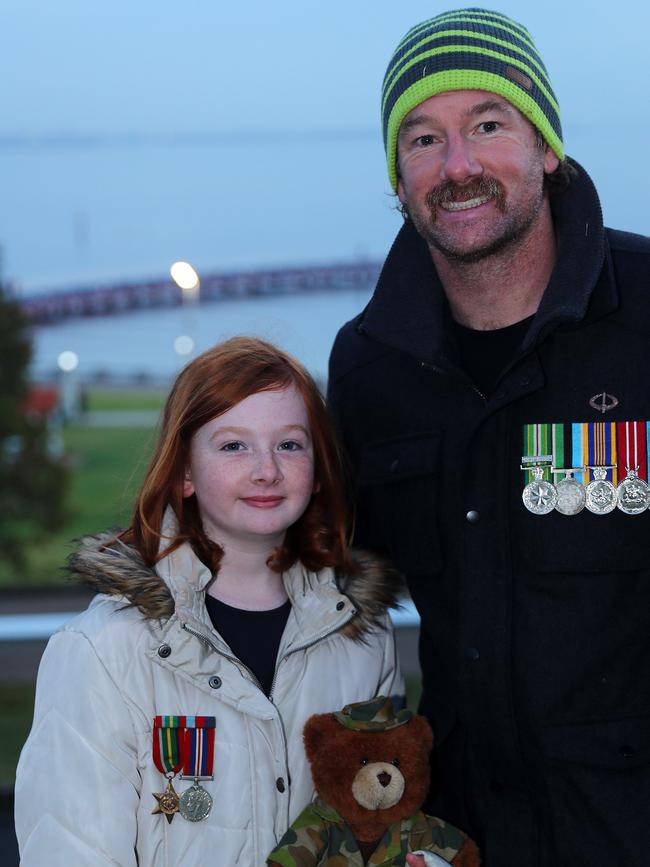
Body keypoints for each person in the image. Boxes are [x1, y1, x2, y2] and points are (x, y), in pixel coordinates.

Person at [328, 8, 650, 866]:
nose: (457, 165)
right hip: (462, 839)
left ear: (547, 147)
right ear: (397, 179)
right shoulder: (367, 367)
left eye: (487, 124)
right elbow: (314, 584)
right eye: (423, 139)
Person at [15, 336, 404, 866]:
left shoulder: (363, 637)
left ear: (318, 471)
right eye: (232, 446)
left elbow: (380, 828)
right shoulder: (103, 652)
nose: (266, 469)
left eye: (290, 444)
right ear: (184, 472)